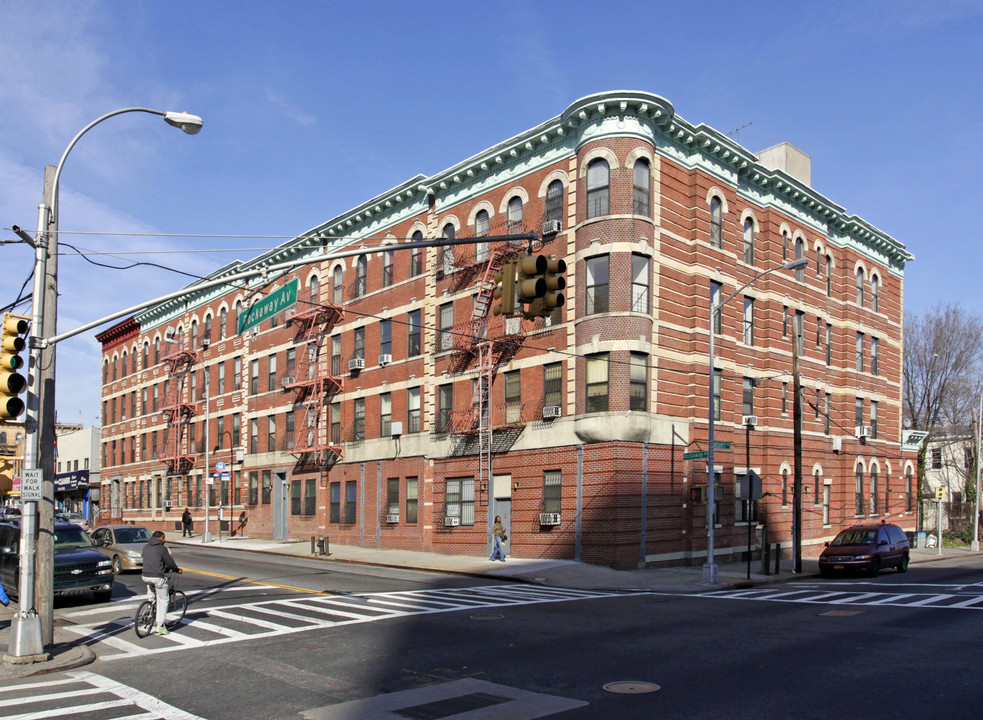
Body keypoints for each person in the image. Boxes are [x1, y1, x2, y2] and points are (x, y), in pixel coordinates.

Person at [141, 530, 182, 635]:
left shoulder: (146, 547)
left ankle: (150, 602)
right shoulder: (162, 549)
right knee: (163, 600)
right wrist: (177, 570)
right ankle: (160, 625)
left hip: (145, 576)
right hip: (157, 577)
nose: (165, 540)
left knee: (151, 586)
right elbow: (170, 563)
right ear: (159, 538)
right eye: (164, 538)